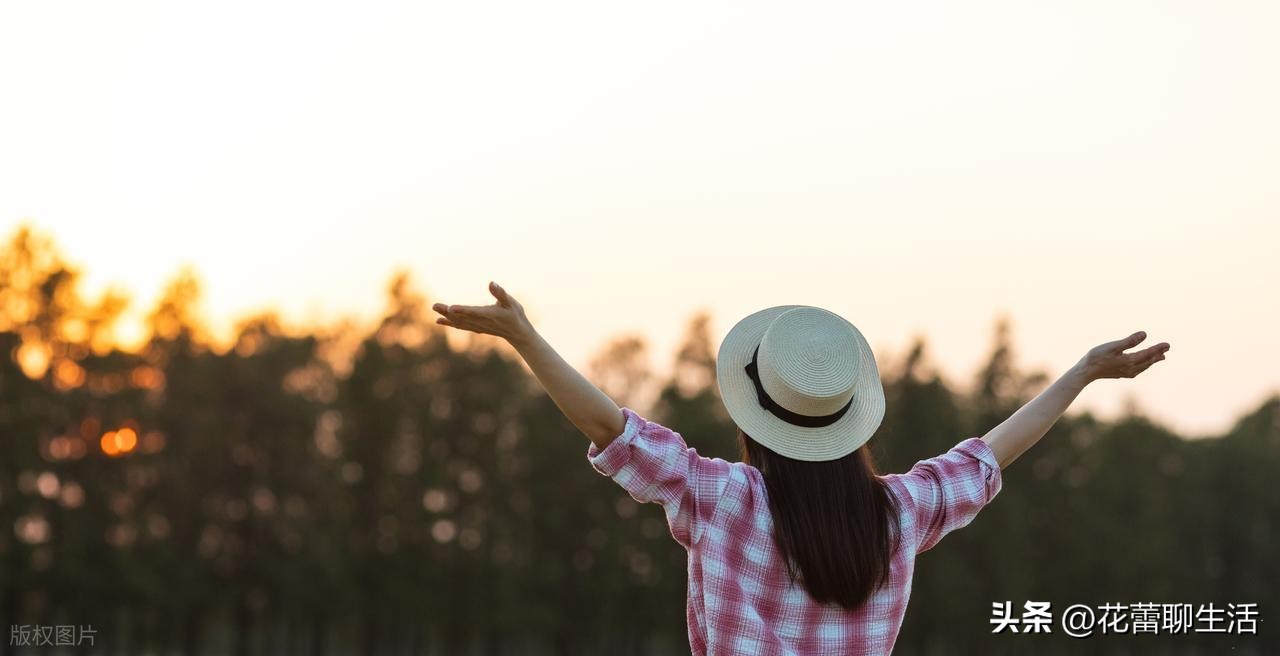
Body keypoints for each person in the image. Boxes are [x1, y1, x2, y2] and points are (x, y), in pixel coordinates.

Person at [432, 282, 1170, 655]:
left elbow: (607, 425)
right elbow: (991, 451)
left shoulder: (722, 498)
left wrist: (524, 338)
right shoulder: (899, 513)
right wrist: (1079, 375)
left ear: (756, 412)